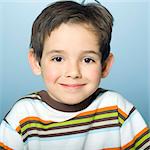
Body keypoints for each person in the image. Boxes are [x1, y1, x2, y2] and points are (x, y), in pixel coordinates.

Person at [0, 1, 149, 150]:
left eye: (87, 60)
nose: (73, 73)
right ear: (36, 62)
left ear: (105, 66)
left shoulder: (117, 110)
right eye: (58, 59)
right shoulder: (23, 117)